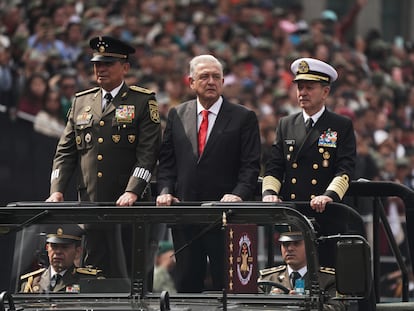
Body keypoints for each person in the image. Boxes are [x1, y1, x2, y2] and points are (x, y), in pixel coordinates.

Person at [46, 36, 161, 277]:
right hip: (91, 204)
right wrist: (56, 190)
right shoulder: (81, 102)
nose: (101, 69)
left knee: (132, 274)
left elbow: (148, 153)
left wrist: (133, 191)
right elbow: (65, 152)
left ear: (125, 68)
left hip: (131, 208)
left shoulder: (142, 101)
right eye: (97, 64)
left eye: (108, 64)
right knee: (94, 273)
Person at [156, 54, 261, 292]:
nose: (211, 81)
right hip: (185, 214)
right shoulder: (177, 114)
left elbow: (250, 166)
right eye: (204, 76)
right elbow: (167, 164)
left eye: (216, 77)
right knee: (187, 285)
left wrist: (238, 195)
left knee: (229, 287)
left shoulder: (243, 117)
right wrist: (164, 191)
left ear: (223, 82)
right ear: (191, 82)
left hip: (227, 216)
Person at [261, 57, 357, 267]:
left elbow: (345, 168)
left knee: (327, 274)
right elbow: (275, 166)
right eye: (300, 87)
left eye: (309, 88)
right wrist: (270, 194)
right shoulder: (286, 124)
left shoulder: (340, 125)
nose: (302, 93)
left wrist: (329, 196)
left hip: (326, 215)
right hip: (294, 213)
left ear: (325, 92)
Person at [258, 231, 346, 311]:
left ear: (310, 246)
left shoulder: (329, 279)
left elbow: (337, 308)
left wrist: (305, 305)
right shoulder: (268, 279)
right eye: (285, 244)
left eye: (296, 243)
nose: (289, 248)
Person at [20, 226, 102, 293]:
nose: (58, 252)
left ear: (77, 251)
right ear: (47, 248)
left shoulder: (89, 282)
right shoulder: (32, 282)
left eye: (64, 247)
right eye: (54, 246)